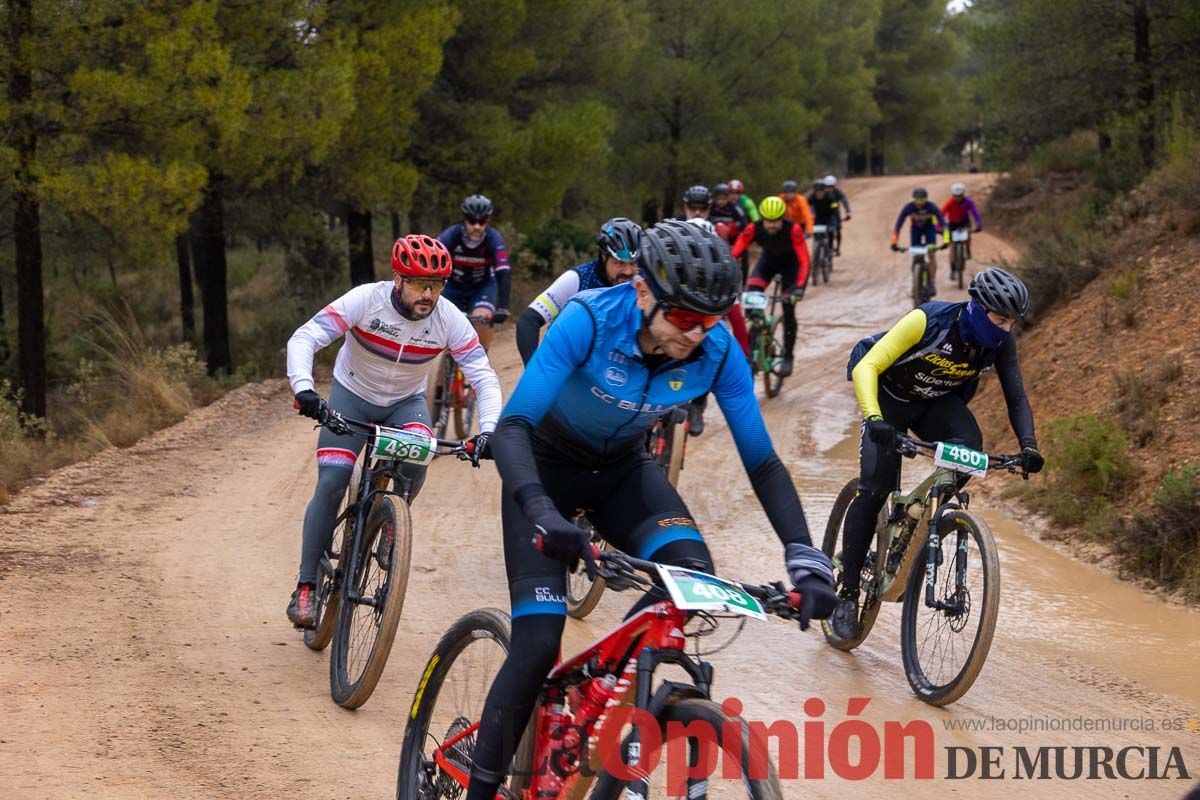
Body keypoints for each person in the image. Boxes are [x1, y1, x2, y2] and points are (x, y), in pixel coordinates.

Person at [462, 220, 837, 800]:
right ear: (643, 293)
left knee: (691, 578)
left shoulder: (716, 349)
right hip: (545, 467)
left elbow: (762, 462)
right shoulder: (588, 319)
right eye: (685, 318)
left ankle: (604, 694)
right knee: (538, 641)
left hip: (623, 474)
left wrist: (804, 556)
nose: (697, 334)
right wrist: (542, 512)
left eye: (710, 319)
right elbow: (512, 427)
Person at [284, 235, 503, 628]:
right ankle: (306, 586)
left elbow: (484, 378)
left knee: (420, 455)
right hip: (352, 397)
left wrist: (487, 431)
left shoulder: (448, 318)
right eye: (420, 284)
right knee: (333, 479)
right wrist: (304, 389)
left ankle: (390, 521)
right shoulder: (366, 300)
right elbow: (306, 336)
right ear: (398, 279)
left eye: (437, 285)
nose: (428, 294)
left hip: (405, 403)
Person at [831, 267, 1044, 639]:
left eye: (1011, 322)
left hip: (934, 402)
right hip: (888, 396)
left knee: (970, 448)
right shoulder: (928, 320)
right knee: (876, 486)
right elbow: (868, 365)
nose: (1006, 330)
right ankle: (847, 592)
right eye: (999, 320)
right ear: (977, 308)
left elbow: (1017, 396)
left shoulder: (1001, 343)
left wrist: (1028, 446)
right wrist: (875, 418)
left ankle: (922, 521)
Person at [516, 218, 643, 365]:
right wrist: (533, 371)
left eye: (633, 263)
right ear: (603, 257)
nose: (628, 271)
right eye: (619, 263)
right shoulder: (578, 279)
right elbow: (528, 320)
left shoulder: (642, 283)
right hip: (569, 364)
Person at [731, 195, 810, 378]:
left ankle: (788, 355)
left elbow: (804, 261)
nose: (772, 225)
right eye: (768, 221)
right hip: (767, 264)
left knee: (788, 310)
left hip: (791, 267)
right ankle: (756, 342)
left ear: (783, 218)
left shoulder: (794, 230)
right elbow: (734, 254)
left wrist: (799, 288)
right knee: (751, 298)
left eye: (776, 221)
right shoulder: (754, 228)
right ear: (762, 219)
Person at [438, 194, 511, 351]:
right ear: (465, 220)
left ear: (487, 221)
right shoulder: (452, 234)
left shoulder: (493, 238)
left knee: (482, 320)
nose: (477, 226)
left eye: (482, 221)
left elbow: (503, 272)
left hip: (482, 287)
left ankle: (479, 361)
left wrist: (502, 307)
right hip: (453, 286)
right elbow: (433, 256)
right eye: (472, 221)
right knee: (439, 321)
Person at [890, 187, 946, 295]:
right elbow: (898, 225)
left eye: (922, 200)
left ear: (926, 199)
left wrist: (947, 240)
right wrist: (894, 242)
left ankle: (932, 283)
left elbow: (943, 223)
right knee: (916, 256)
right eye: (917, 200)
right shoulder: (909, 207)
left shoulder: (932, 207)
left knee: (931, 254)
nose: (919, 203)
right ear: (913, 199)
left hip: (929, 230)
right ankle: (915, 284)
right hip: (916, 231)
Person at [940, 182, 983, 260]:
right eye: (955, 196)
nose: (957, 198)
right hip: (952, 222)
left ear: (963, 194)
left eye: (959, 196)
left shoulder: (968, 201)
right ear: (952, 195)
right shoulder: (949, 202)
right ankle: (952, 264)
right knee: (951, 243)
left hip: (964, 221)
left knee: (967, 235)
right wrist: (938, 226)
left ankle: (967, 249)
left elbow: (975, 213)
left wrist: (978, 224)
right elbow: (941, 214)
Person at [807, 179, 848, 258]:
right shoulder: (811, 197)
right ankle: (816, 251)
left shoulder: (829, 196)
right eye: (817, 191)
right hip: (818, 218)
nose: (819, 193)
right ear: (814, 191)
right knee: (816, 235)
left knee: (830, 232)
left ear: (824, 190)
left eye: (821, 191)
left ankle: (829, 251)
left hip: (829, 217)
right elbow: (805, 205)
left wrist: (834, 220)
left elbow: (835, 206)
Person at [821, 175, 851, 255]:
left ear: (834, 186)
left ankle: (837, 248)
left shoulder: (837, 192)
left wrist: (848, 212)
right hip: (822, 213)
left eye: (831, 186)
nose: (828, 188)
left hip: (834, 213)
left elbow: (844, 201)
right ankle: (820, 247)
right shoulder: (820, 193)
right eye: (826, 186)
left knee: (837, 230)